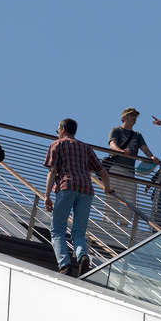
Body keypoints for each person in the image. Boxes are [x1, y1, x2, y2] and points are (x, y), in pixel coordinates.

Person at [44, 118, 113, 277]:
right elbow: (102, 171)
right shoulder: (85, 147)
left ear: (62, 130)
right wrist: (107, 188)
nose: (57, 133)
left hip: (66, 186)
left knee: (57, 229)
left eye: (57, 131)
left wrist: (47, 195)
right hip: (86, 189)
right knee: (79, 231)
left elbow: (53, 171)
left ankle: (65, 265)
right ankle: (82, 256)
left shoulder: (57, 144)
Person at [104, 107, 160, 225]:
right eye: (132, 115)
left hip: (130, 172)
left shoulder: (137, 135)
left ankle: (123, 227)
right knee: (112, 201)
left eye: (135, 116)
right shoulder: (116, 130)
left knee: (130, 203)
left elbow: (145, 149)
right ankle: (109, 227)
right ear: (124, 117)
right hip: (115, 168)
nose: (134, 118)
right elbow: (112, 145)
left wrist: (152, 157)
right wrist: (121, 151)